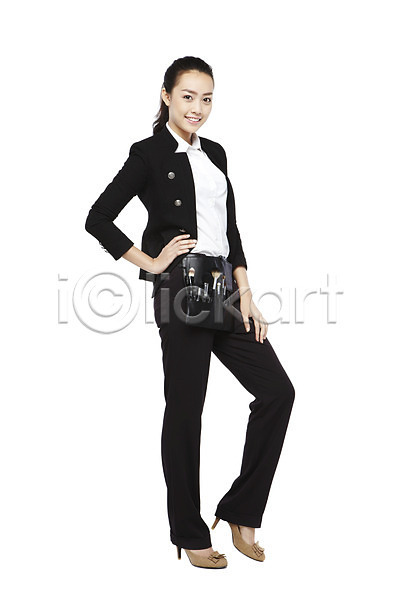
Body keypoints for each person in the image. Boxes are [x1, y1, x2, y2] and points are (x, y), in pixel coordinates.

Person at [85, 56, 295, 569]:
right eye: (187, 96)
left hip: (225, 290)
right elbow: (98, 217)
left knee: (277, 392)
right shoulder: (149, 153)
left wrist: (246, 292)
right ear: (166, 96)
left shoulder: (216, 153)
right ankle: (188, 531)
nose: (197, 107)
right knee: (185, 412)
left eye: (206, 98)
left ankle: (241, 512)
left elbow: (230, 229)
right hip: (180, 290)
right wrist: (152, 262)